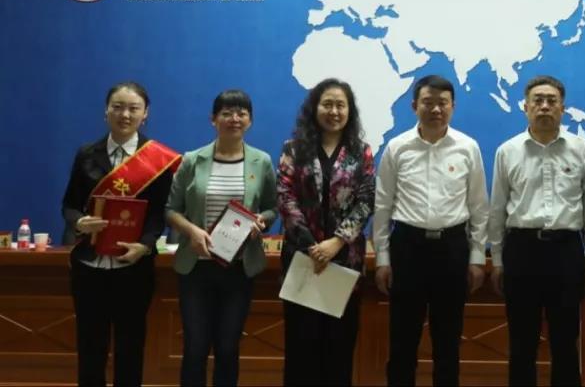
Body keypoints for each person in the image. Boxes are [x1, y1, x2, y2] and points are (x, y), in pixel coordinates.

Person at [61, 81, 181, 387]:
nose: (125, 114)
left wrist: (145, 245)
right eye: (117, 107)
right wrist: (79, 222)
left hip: (133, 268)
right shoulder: (87, 154)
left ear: (145, 114)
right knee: (90, 347)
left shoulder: (157, 159)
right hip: (90, 267)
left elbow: (159, 213)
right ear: (106, 112)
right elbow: (69, 205)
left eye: (133, 108)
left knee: (130, 347)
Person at [488, 75, 585, 387]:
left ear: (562, 108)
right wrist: (496, 260)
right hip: (521, 251)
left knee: (565, 342)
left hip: (566, 251)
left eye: (551, 101)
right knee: (521, 342)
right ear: (525, 107)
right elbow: (497, 210)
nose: (544, 106)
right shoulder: (507, 151)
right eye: (537, 100)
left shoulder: (583, 149)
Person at [373, 74, 488, 387]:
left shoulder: (467, 147)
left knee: (448, 342)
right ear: (414, 106)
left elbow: (479, 207)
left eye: (442, 103)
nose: (435, 109)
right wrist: (382, 259)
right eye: (428, 102)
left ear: (452, 107)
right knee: (402, 341)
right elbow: (382, 206)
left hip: (452, 249)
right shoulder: (397, 148)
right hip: (407, 247)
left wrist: (477, 258)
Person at [165, 89, 278, 386]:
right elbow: (171, 210)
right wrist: (191, 230)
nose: (234, 119)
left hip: (238, 268)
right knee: (195, 347)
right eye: (226, 113)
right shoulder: (192, 160)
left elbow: (273, 207)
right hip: (196, 267)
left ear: (250, 120)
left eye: (241, 113)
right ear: (213, 119)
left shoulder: (262, 161)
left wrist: (261, 220)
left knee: (228, 349)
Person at [277, 78, 376, 386]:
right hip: (302, 258)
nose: (334, 111)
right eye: (327, 104)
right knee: (300, 350)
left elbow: (366, 200)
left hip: (344, 261)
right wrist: (312, 246)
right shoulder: (294, 149)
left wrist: (336, 242)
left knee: (339, 350)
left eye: (340, 105)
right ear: (314, 108)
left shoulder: (361, 152)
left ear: (350, 111)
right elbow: (285, 196)